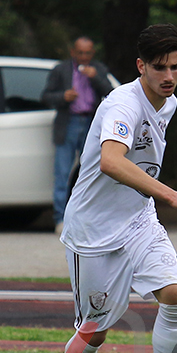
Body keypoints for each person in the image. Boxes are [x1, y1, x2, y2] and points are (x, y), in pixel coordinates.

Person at [58, 24, 177, 353]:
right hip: (93, 232)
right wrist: (172, 194)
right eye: (159, 67)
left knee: (176, 295)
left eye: (176, 66)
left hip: (138, 220)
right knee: (95, 332)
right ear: (140, 66)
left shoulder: (169, 102)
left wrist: (154, 200)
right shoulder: (121, 105)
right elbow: (111, 161)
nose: (169, 76)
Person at [42, 36, 114, 234]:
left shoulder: (98, 69)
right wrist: (62, 97)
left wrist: (95, 77)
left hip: (91, 123)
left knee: (90, 172)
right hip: (69, 122)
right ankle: (60, 219)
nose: (83, 57)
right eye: (80, 52)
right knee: (62, 173)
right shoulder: (61, 69)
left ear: (92, 53)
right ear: (73, 52)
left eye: (87, 53)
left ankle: (88, 219)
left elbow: (111, 93)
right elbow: (46, 96)